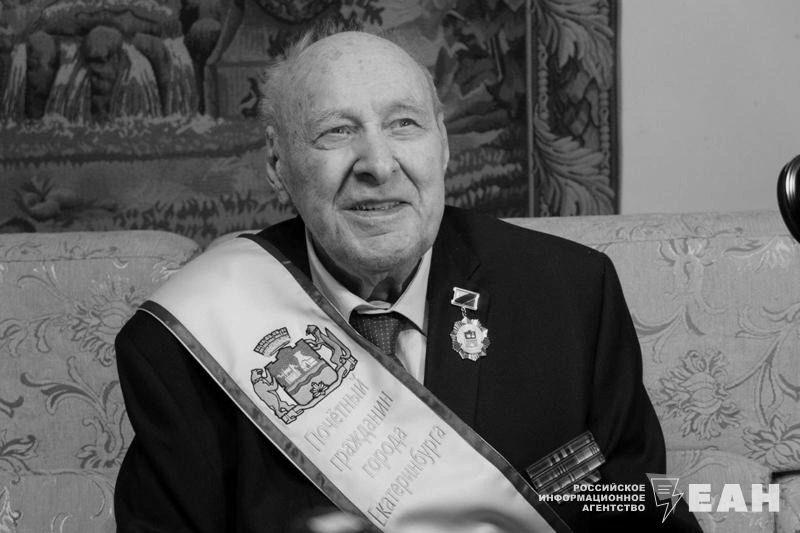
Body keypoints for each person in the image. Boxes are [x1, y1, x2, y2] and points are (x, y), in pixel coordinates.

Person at [114, 27, 701, 532]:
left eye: (404, 124)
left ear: (441, 145)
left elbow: (643, 510)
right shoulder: (190, 343)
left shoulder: (572, 292)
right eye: (335, 132)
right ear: (277, 165)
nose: (378, 163)